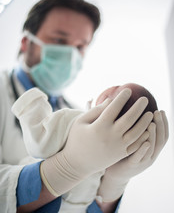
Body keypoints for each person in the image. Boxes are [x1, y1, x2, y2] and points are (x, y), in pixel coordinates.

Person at [0, 0, 168, 213]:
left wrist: (114, 182)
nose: (71, 54)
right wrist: (68, 168)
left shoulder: (81, 119)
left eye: (80, 46)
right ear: (25, 42)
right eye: (60, 40)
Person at [11, 82, 159, 213]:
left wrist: (32, 105)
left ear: (105, 96)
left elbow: (38, 143)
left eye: (116, 89)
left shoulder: (73, 121)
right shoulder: (79, 128)